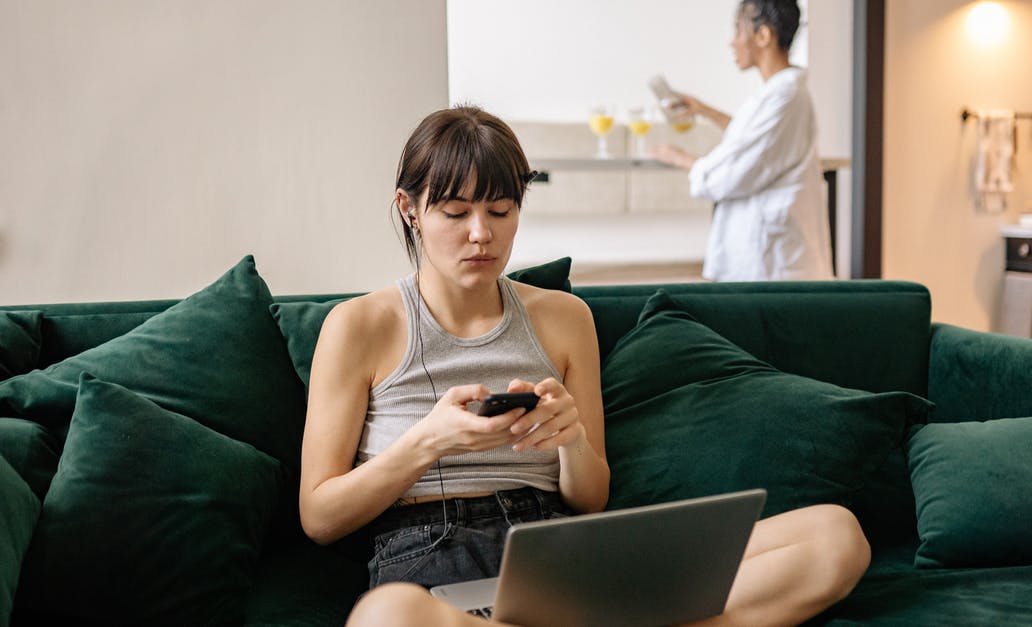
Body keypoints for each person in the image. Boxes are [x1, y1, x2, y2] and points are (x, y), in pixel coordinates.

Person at [298, 105, 869, 627]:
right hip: (431, 565)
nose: (482, 233)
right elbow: (319, 515)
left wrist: (570, 441)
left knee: (833, 535)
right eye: (456, 212)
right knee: (386, 617)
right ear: (410, 209)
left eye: (501, 210)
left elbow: (590, 499)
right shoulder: (357, 327)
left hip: (559, 558)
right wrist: (428, 441)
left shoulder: (565, 319)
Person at [650, 0, 834, 282]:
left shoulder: (785, 96)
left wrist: (679, 158)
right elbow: (749, 138)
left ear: (763, 36)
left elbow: (733, 173)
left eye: (738, 30)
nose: (732, 42)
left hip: (773, 263)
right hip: (768, 257)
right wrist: (703, 109)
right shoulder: (778, 93)